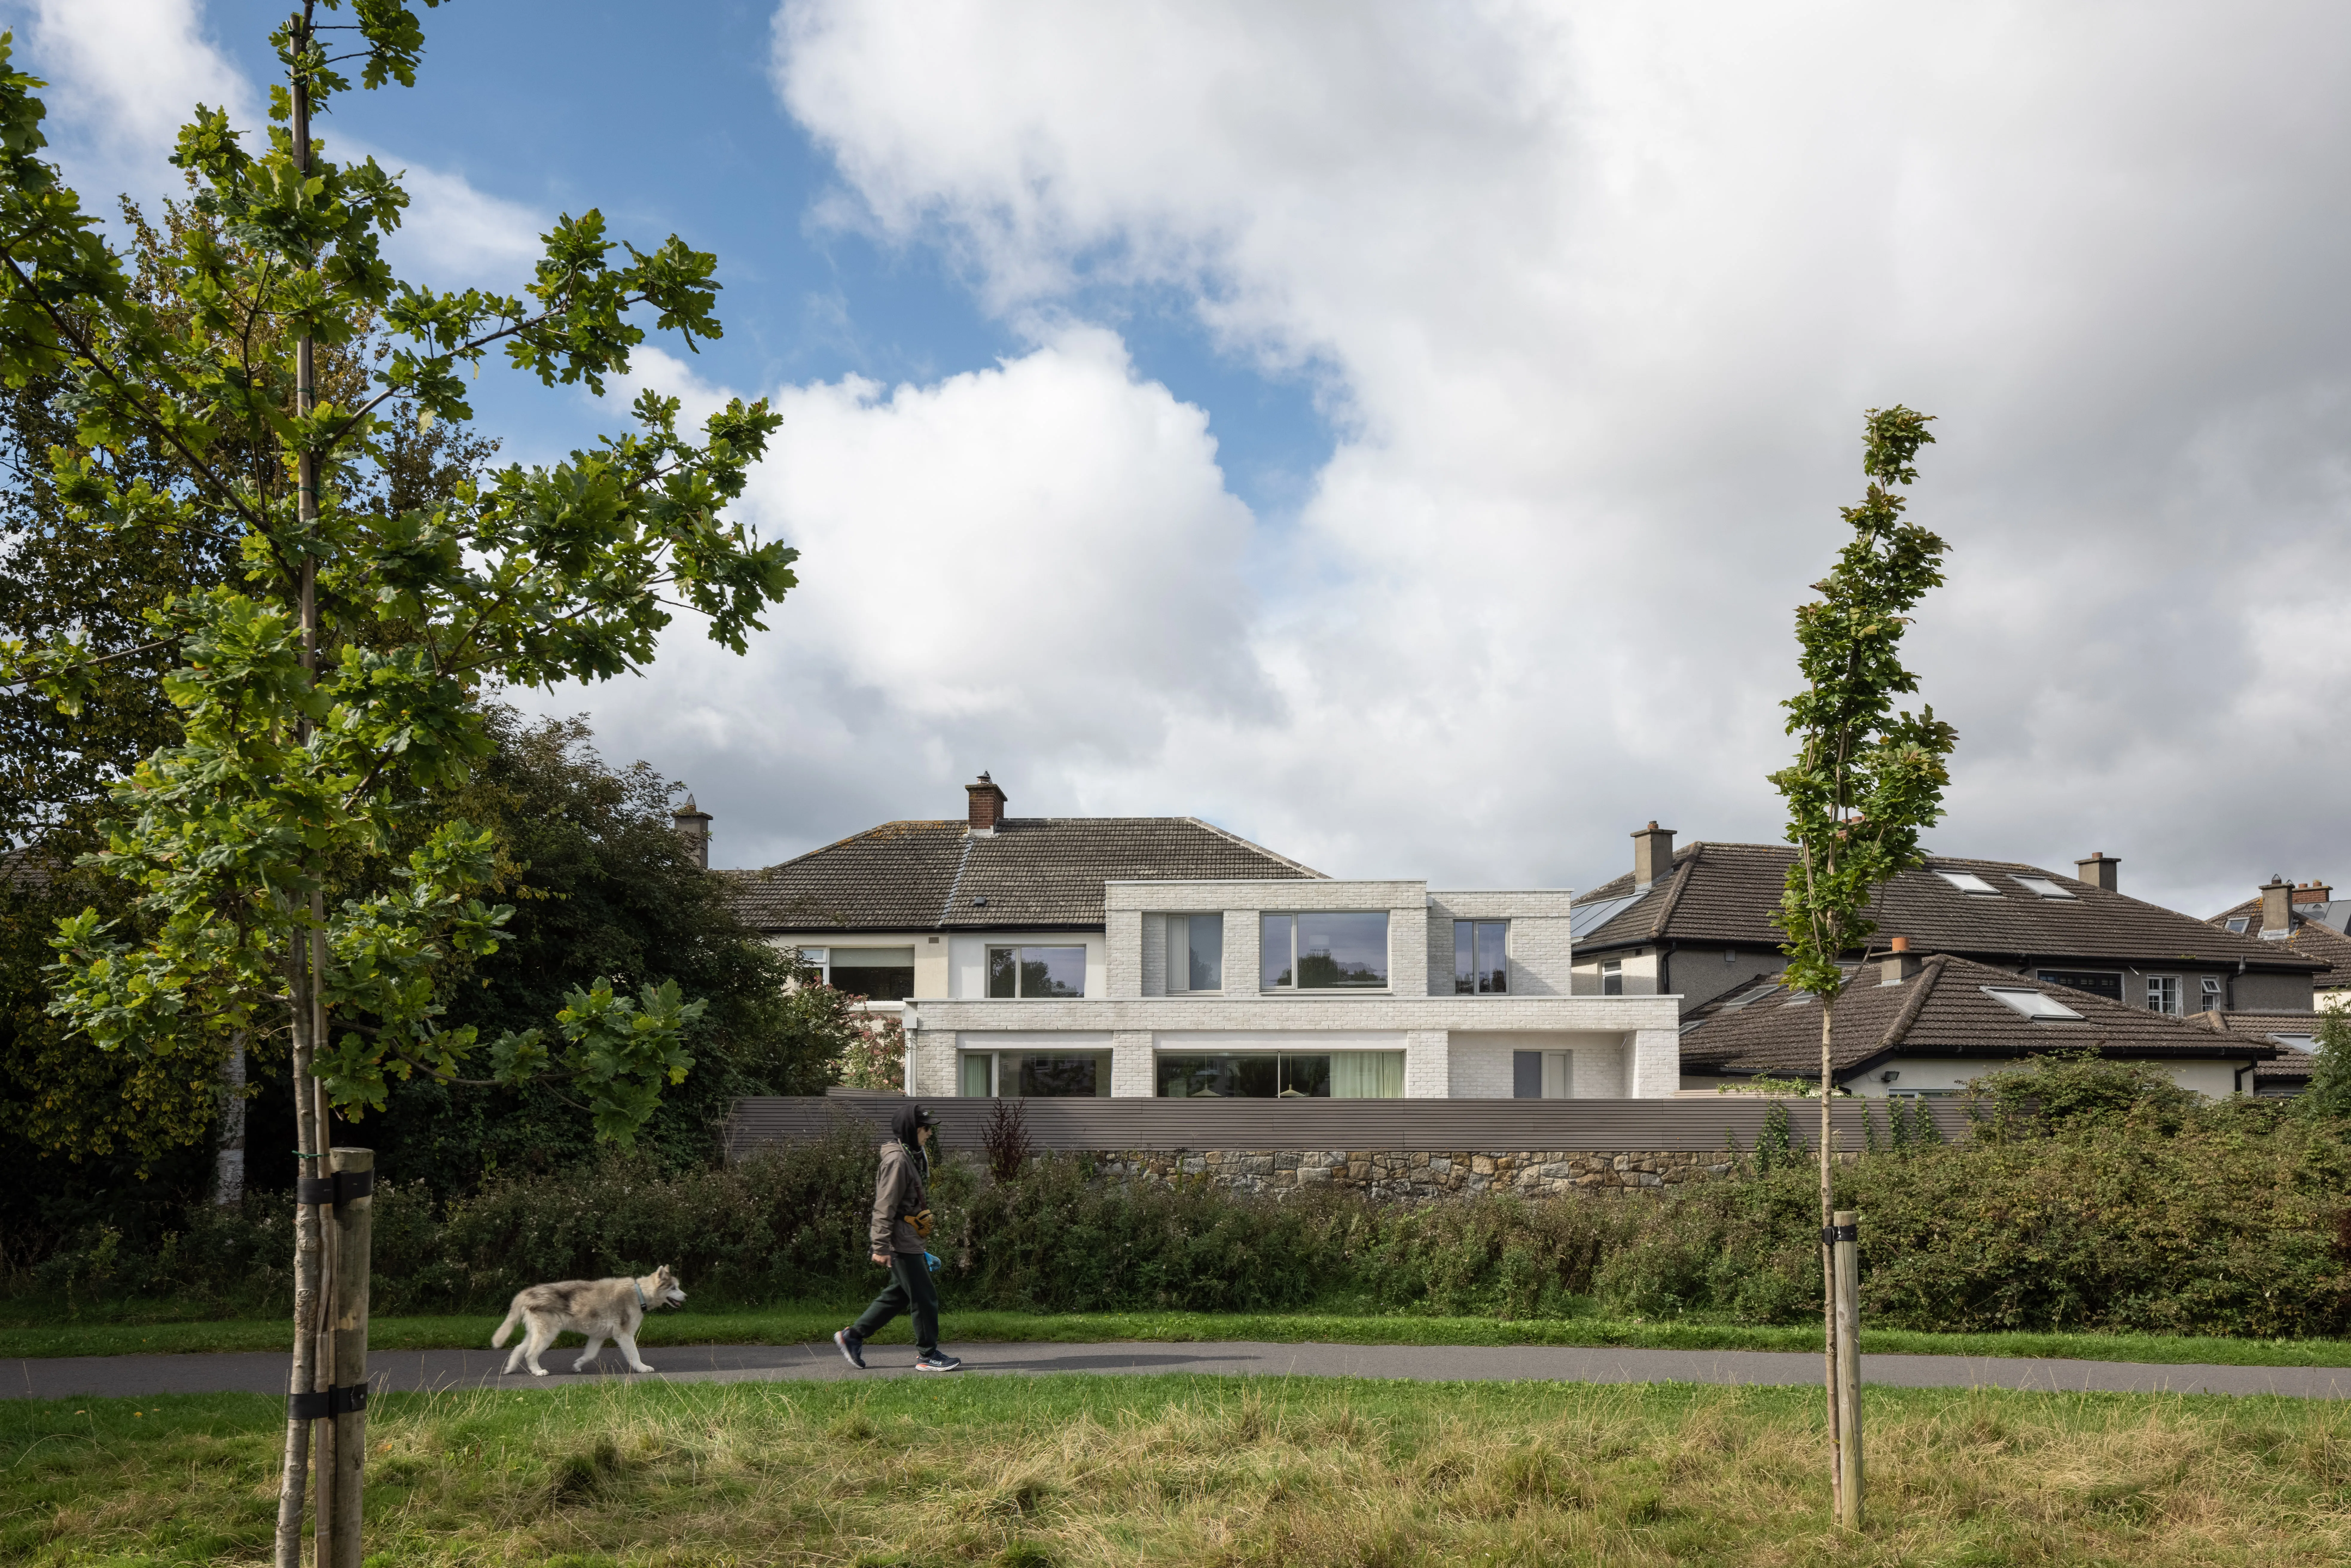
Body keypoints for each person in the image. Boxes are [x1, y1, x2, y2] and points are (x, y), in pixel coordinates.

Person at [835, 1104, 962, 1372]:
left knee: (899, 1295)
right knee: (925, 1297)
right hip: (900, 1241)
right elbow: (885, 1206)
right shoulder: (897, 1161)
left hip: (909, 1239)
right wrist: (880, 1245)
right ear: (913, 1130)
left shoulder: (910, 1156)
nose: (929, 1134)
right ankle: (928, 1356)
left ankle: (853, 1336)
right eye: (926, 1129)